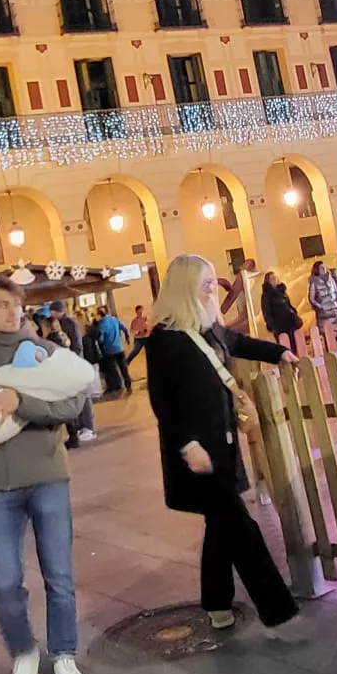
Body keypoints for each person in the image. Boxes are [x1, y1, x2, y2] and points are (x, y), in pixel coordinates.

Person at [142, 254, 303, 636]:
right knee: (241, 527)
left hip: (223, 445)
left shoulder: (209, 327)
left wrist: (278, 352)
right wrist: (186, 445)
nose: (213, 289)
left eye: (212, 280)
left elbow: (240, 342)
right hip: (196, 454)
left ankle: (216, 603)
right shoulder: (165, 338)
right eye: (206, 282)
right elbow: (162, 401)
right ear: (184, 288)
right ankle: (279, 613)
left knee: (220, 526)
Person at [0, 277, 91, 674]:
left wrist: (22, 403)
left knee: (58, 573)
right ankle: (23, 648)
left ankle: (63, 653)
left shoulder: (44, 351)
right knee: (3, 582)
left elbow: (74, 402)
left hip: (46, 474)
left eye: (17, 304)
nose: (14, 312)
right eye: (3, 305)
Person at [46, 302, 97, 446]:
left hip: (74, 364)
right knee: (78, 396)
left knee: (82, 396)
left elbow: (75, 344)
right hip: (73, 363)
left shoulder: (67, 323)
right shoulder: (66, 323)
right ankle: (83, 427)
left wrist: (73, 360)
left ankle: (88, 427)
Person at [306, 262, 337, 348]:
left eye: (324, 267)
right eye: (321, 268)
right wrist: (321, 307)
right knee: (329, 337)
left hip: (335, 311)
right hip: (324, 315)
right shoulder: (314, 282)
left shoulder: (330, 279)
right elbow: (311, 298)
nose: (324, 269)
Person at [260, 271, 303, 348]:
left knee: (295, 344)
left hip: (290, 322)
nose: (275, 280)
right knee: (285, 345)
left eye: (275, 278)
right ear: (268, 281)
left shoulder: (282, 291)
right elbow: (266, 311)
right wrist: (271, 325)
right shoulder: (267, 295)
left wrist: (294, 311)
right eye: (272, 279)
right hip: (279, 325)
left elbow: (288, 304)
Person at [95, 308, 132, 398]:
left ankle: (117, 386)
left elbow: (101, 339)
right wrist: (127, 338)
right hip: (119, 348)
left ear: (100, 315)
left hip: (109, 351)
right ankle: (128, 385)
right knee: (123, 368)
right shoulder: (114, 319)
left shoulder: (101, 324)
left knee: (113, 370)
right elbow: (125, 329)